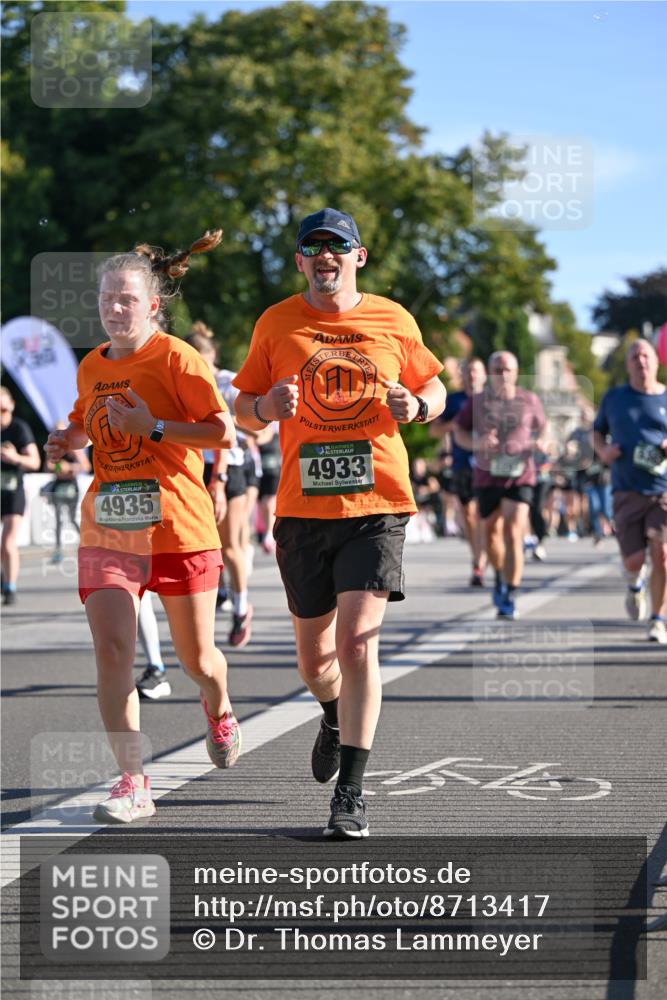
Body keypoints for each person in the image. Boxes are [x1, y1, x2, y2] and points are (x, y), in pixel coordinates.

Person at [233, 207, 446, 838]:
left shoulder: (392, 318)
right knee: (315, 661)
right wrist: (265, 407)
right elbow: (242, 409)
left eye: (337, 245)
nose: (325, 255)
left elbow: (436, 388)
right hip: (303, 510)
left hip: (376, 505)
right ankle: (331, 711)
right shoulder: (276, 322)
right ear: (300, 260)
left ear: (359, 256)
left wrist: (418, 407)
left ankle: (350, 794)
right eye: (313, 246)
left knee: (356, 644)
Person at [44, 230, 242, 823]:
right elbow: (87, 423)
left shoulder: (177, 357)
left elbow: (222, 432)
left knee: (197, 659)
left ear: (152, 304)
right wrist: (66, 439)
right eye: (107, 298)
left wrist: (152, 427)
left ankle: (218, 704)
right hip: (111, 525)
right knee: (113, 653)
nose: (114, 308)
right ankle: (133, 781)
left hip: (179, 527)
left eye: (126, 299)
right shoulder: (91, 365)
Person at [454, 350, 546, 620]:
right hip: (487, 476)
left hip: (520, 473)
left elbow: (543, 426)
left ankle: (511, 592)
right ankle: (499, 576)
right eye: (497, 369)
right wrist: (477, 443)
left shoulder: (529, 400)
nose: (502, 375)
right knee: (491, 535)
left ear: (516, 373)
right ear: (489, 373)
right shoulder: (477, 402)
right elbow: (458, 431)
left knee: (514, 531)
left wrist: (540, 442)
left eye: (507, 370)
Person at [593, 339, 667, 644]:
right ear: (628, 364)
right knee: (633, 560)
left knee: (662, 554)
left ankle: (657, 619)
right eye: (635, 357)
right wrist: (604, 452)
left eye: (646, 355)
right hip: (626, 489)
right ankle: (635, 583)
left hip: (662, 489)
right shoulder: (615, 398)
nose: (641, 361)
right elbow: (597, 432)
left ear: (656, 361)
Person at [186, 323, 256, 648]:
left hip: (231, 467)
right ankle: (213, 604)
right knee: (203, 547)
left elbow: (246, 429)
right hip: (196, 467)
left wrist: (220, 478)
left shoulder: (228, 382)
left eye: (200, 358)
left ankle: (241, 607)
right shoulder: (183, 383)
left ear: (211, 355)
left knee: (230, 545)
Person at [431, 357, 487, 583]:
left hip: (489, 466)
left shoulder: (492, 399)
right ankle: (477, 560)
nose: (472, 375)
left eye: (476, 371)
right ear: (462, 375)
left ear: (484, 375)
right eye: (468, 371)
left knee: (486, 516)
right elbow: (433, 431)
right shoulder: (453, 400)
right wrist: (452, 425)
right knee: (470, 515)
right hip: (462, 464)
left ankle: (484, 557)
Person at [1, 386, 41, 604]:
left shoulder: (19, 428)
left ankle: (10, 588)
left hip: (13, 491)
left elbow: (35, 462)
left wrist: (14, 457)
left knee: (8, 542)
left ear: (11, 406)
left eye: (3, 410)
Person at [43, 421, 91, 564]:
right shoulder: (53, 449)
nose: (58, 436)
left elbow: (86, 466)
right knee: (58, 520)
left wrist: (69, 467)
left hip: (71, 486)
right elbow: (47, 468)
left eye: (61, 432)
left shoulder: (73, 447)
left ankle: (86, 545)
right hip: (58, 486)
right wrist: (57, 467)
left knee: (72, 518)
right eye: (55, 432)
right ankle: (58, 551)